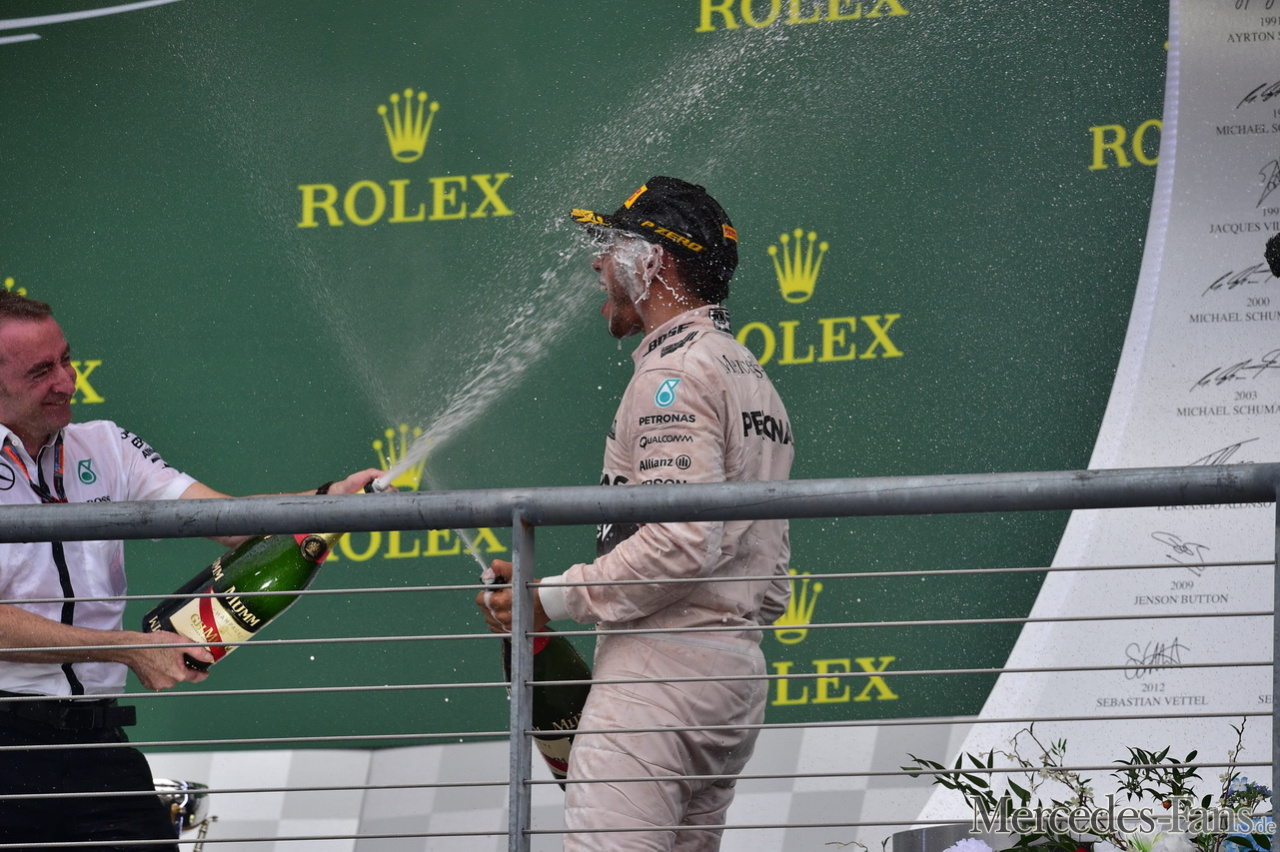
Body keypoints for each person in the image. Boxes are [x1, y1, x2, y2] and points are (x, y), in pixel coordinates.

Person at [477, 176, 795, 851]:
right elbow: (767, 580)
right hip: (732, 678)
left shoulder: (670, 376)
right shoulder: (748, 373)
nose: (598, 264)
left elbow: (683, 542)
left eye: (613, 248)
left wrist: (546, 598)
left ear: (656, 262)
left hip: (659, 677)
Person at [0, 291, 380, 849]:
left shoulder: (105, 444)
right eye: (41, 372)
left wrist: (330, 500)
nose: (67, 381)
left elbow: (230, 522)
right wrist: (128, 648)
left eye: (66, 359)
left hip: (97, 742)